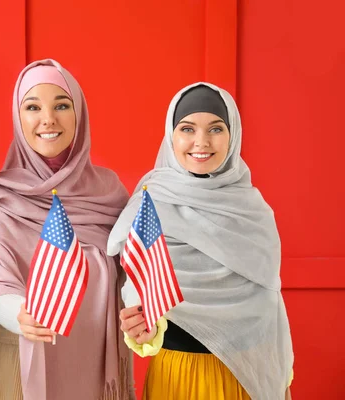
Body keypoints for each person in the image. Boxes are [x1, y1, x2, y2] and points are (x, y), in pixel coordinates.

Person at [0, 59, 134, 400]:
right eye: (33, 107)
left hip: (94, 374)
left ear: (78, 114)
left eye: (61, 105)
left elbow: (130, 271)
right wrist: (19, 314)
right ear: (18, 117)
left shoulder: (109, 192)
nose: (48, 119)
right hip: (16, 370)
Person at [108, 83, 294, 399]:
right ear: (171, 135)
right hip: (177, 376)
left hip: (246, 376)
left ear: (232, 134)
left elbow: (267, 308)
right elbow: (138, 289)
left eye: (216, 129)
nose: (201, 142)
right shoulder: (149, 205)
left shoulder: (253, 210)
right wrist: (145, 328)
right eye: (187, 128)